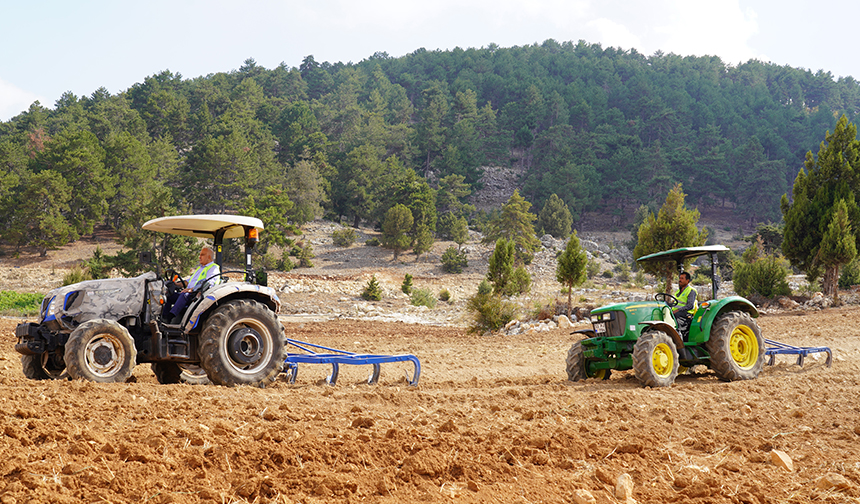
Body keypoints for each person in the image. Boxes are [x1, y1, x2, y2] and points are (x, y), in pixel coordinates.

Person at [165, 246, 220, 324]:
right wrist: (176, 284)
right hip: (189, 294)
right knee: (169, 295)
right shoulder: (200, 268)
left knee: (184, 294)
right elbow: (188, 282)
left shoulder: (213, 268)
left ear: (209, 257)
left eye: (202, 255)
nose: (199, 257)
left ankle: (171, 316)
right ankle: (164, 318)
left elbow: (209, 283)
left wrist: (192, 289)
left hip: (198, 296)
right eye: (200, 254)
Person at [673, 271, 698, 338]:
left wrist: (678, 310)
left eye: (682, 278)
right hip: (678, 312)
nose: (680, 280)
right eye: (680, 278)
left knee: (674, 316)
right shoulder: (679, 291)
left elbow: (690, 306)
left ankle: (679, 338)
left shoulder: (691, 291)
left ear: (687, 281)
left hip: (686, 314)